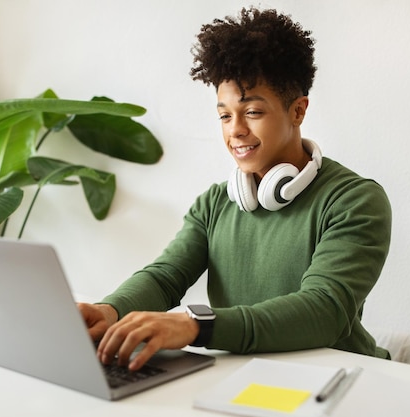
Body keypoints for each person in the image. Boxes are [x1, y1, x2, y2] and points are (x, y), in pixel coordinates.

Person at [78, 6, 392, 372]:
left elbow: (323, 310)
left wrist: (195, 325)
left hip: (341, 380)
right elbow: (165, 277)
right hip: (247, 375)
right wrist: (109, 310)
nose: (235, 130)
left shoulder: (355, 200)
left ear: (298, 111)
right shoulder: (215, 203)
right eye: (225, 115)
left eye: (253, 112)